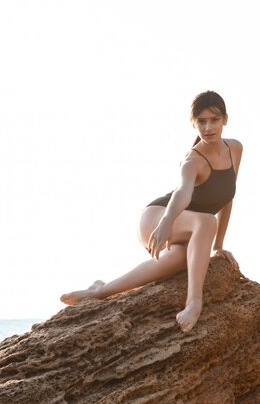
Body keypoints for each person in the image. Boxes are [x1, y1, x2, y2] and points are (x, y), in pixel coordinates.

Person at [60, 91, 242, 333]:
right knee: (207, 221)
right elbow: (182, 193)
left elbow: (227, 197)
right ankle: (193, 303)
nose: (208, 127)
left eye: (214, 120)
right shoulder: (193, 160)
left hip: (189, 226)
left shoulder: (235, 149)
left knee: (181, 259)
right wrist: (167, 221)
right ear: (193, 123)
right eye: (201, 121)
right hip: (158, 217)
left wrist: (218, 245)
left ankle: (99, 290)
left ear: (225, 120)